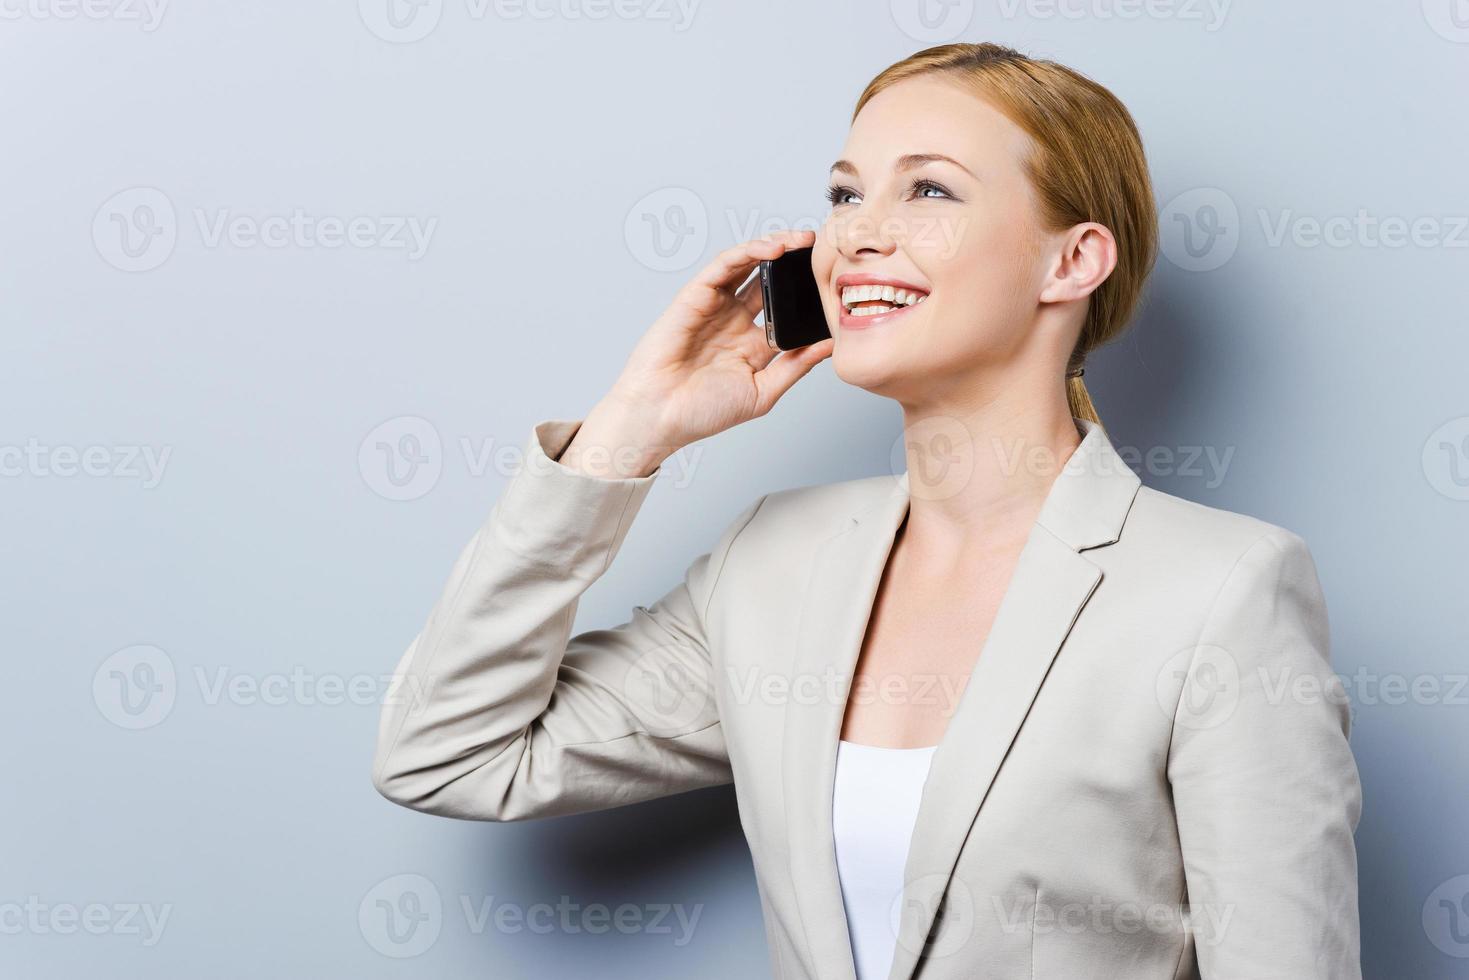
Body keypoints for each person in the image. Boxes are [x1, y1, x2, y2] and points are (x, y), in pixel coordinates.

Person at [372, 42, 1362, 980]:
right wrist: (628, 432)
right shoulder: (775, 559)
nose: (856, 232)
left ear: (1071, 261)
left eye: (926, 189)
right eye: (844, 193)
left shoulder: (1220, 589)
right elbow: (450, 751)